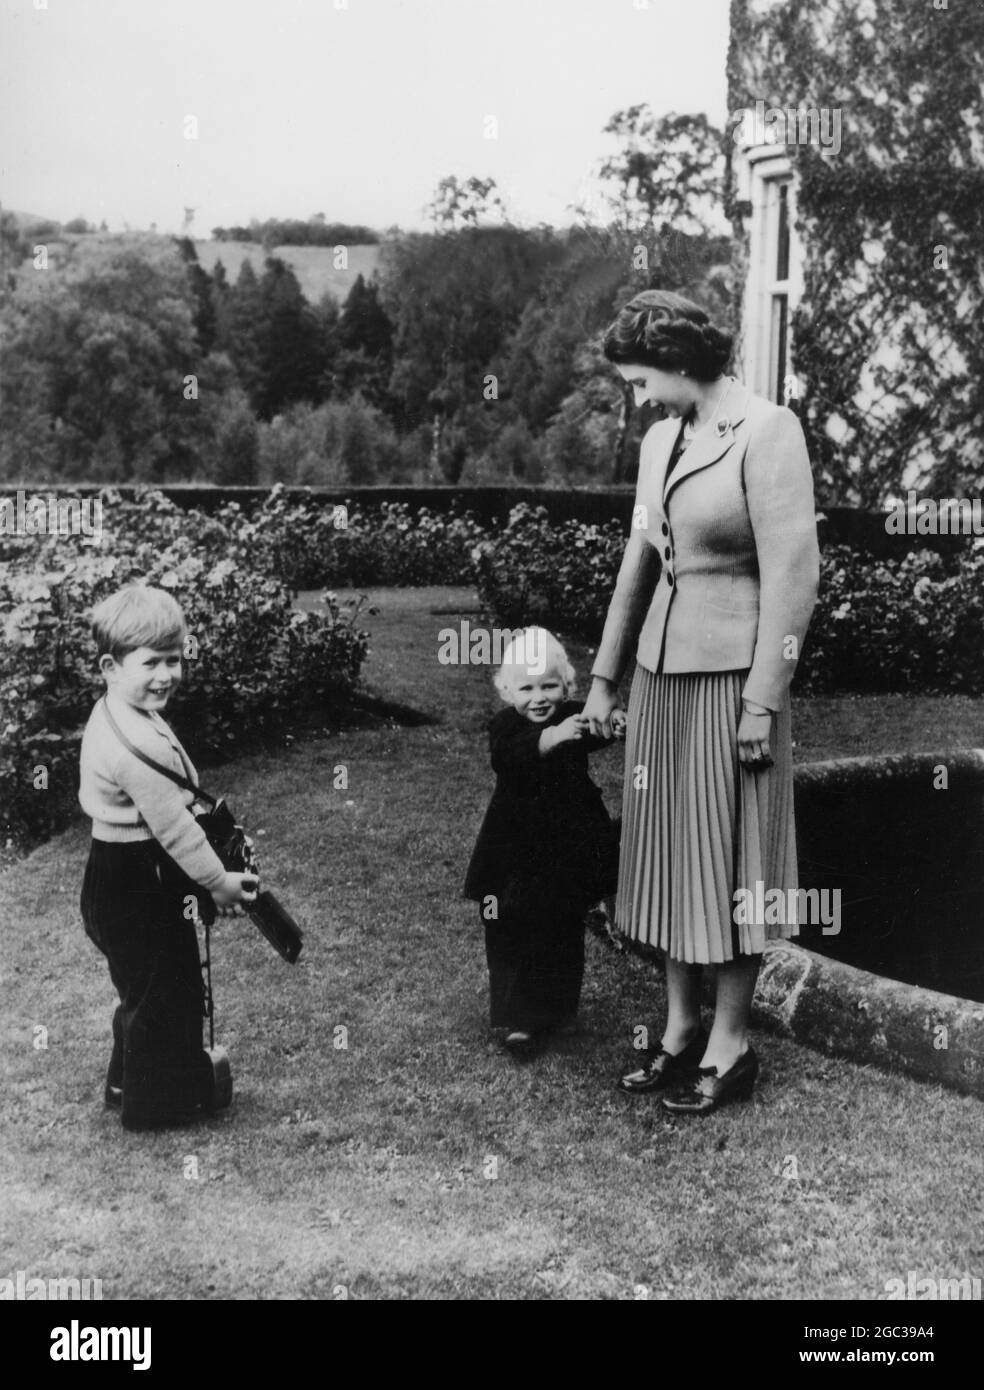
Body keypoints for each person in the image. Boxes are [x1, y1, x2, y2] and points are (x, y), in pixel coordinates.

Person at [582, 290, 820, 1114]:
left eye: (643, 378)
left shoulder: (768, 431)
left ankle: (732, 1042)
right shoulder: (659, 441)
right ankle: (679, 1030)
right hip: (660, 676)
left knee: (729, 859)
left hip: (733, 684)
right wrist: (605, 680)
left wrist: (762, 700)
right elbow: (638, 565)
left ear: (682, 364)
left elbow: (796, 576)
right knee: (672, 855)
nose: (638, 396)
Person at [79, 584, 257, 1130]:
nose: (166, 675)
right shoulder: (142, 746)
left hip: (112, 873)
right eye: (152, 662)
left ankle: (125, 1080)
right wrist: (218, 882)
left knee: (144, 985)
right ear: (111, 665)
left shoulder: (117, 708)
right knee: (165, 991)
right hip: (140, 880)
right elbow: (177, 831)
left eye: (174, 660)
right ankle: (156, 1107)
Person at [464, 628, 621, 1055]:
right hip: (514, 856)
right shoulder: (506, 727)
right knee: (512, 930)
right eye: (527, 687)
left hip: (563, 855)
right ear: (507, 690)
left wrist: (612, 724)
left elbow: (593, 729)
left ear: (566, 686)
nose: (539, 697)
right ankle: (520, 1019)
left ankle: (557, 1010)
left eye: (549, 686)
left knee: (561, 929)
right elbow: (507, 757)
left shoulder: (571, 716)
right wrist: (549, 739)